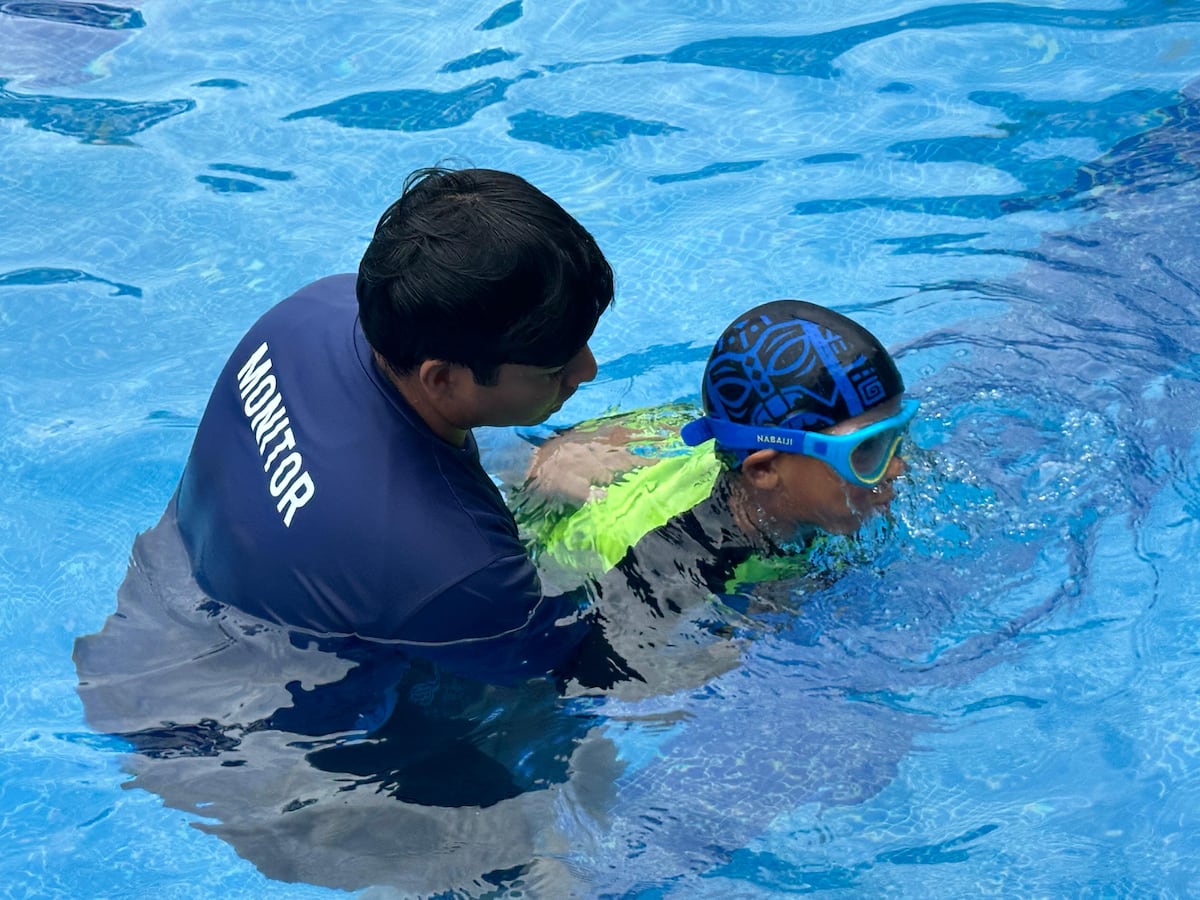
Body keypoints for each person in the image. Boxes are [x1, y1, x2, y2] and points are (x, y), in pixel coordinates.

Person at [169, 166, 612, 678]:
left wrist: (530, 457)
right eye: (555, 368)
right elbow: (571, 668)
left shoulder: (321, 309)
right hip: (250, 729)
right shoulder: (464, 570)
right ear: (442, 379)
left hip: (163, 604)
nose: (588, 370)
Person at [541, 299, 919, 695]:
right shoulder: (677, 570)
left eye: (898, 434)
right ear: (764, 470)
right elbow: (595, 687)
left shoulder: (745, 457)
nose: (899, 467)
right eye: (866, 449)